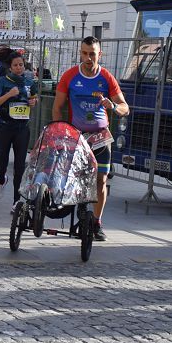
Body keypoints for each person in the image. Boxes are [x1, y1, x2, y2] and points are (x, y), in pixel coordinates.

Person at [52, 36, 129, 241]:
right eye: (84, 53)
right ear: (80, 53)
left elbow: (125, 107)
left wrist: (112, 106)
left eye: (92, 54)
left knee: (101, 180)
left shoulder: (106, 77)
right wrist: (59, 133)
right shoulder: (69, 76)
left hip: (100, 137)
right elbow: (57, 107)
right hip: (76, 135)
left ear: (99, 54)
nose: (88, 58)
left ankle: (96, 222)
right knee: (75, 177)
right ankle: (78, 208)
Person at [0, 50, 38, 205]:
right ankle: (1, 179)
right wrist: (8, 95)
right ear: (9, 67)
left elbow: (35, 99)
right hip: (4, 127)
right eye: (15, 65)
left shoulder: (29, 82)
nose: (19, 68)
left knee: (20, 166)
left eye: (21, 65)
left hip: (22, 128)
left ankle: (17, 201)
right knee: (2, 164)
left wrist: (33, 102)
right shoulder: (2, 81)